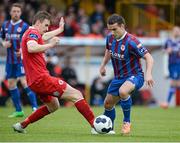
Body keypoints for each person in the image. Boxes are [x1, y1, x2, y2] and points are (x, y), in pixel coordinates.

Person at [12, 11, 95, 133]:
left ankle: (22, 125)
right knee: (76, 94)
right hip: (41, 78)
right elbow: (32, 47)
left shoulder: (29, 33)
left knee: (53, 106)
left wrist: (59, 30)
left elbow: (43, 37)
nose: (46, 29)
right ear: (38, 23)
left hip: (33, 81)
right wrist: (50, 45)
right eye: (45, 25)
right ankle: (96, 126)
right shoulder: (33, 33)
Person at [91, 14, 154, 135]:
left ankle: (127, 122)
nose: (112, 32)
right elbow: (108, 51)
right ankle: (109, 128)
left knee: (123, 91)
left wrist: (148, 74)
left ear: (122, 26)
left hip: (135, 76)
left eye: (115, 29)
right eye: (110, 30)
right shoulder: (110, 38)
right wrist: (103, 65)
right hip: (118, 77)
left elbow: (149, 58)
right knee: (108, 104)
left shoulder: (132, 41)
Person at [0, 3, 38, 117]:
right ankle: (18, 110)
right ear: (10, 12)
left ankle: (35, 107)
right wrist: (3, 43)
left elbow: (29, 41)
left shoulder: (25, 26)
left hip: (21, 60)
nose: (16, 13)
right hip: (10, 60)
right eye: (14, 11)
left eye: (18, 11)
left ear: (21, 13)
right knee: (11, 84)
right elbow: (1, 37)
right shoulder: (5, 25)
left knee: (24, 82)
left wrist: (22, 50)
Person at [160, 26, 180, 108]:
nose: (177, 32)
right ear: (172, 32)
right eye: (176, 31)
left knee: (174, 83)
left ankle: (167, 103)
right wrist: (167, 51)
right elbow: (163, 50)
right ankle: (167, 103)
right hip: (171, 64)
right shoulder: (168, 41)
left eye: (178, 31)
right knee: (177, 83)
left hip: (177, 64)